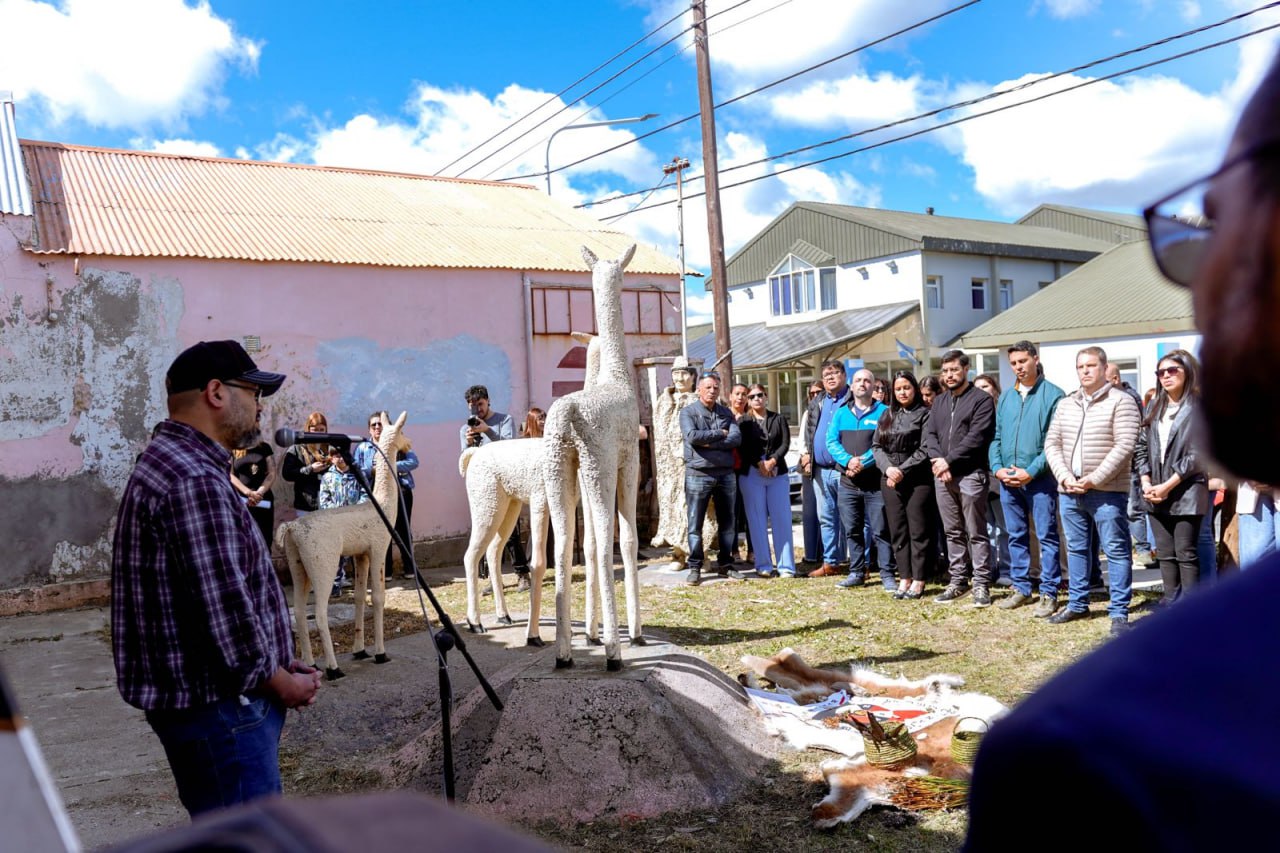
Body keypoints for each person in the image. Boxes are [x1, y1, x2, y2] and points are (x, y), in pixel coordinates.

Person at [965, 52, 1280, 850]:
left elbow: (1119, 440)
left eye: (1215, 229)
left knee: (1151, 559)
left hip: (1119, 493)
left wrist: (1094, 473)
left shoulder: (1102, 758)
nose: (1198, 291)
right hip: (1080, 484)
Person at [112, 339, 321, 818]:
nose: (259, 407)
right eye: (253, 392)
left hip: (217, 705)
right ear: (216, 392)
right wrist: (280, 681)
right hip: (224, 709)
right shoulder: (193, 480)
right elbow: (224, 609)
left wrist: (282, 661)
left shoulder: (178, 464)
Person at [1042, 346, 1140, 633]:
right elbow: (1052, 443)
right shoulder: (1067, 403)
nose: (1085, 371)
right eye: (1080, 367)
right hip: (1069, 489)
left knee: (1116, 549)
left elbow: (1125, 445)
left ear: (1104, 367)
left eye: (1091, 366)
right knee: (1076, 548)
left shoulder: (1121, 402)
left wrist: (1093, 479)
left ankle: (1119, 610)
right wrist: (1064, 475)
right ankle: (1077, 603)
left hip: (1106, 490)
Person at [990, 341, 1065, 617]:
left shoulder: (1054, 395)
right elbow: (996, 437)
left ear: (1035, 358)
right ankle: (1021, 588)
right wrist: (997, 467)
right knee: (1016, 535)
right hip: (1008, 479)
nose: (1018, 367)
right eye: (1014, 363)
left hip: (1040, 480)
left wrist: (1031, 471)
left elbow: (1053, 442)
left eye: (1023, 361)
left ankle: (1049, 592)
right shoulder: (1007, 398)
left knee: (1046, 536)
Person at [924, 350, 996, 607]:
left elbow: (977, 437)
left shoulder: (981, 400)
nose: (949, 375)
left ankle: (981, 584)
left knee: (976, 531)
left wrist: (949, 460)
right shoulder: (940, 401)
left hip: (970, 474)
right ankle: (958, 582)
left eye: (954, 370)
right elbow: (930, 434)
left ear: (966, 369)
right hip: (942, 476)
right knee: (952, 531)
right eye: (945, 371)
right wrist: (937, 461)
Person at [1134, 349, 1207, 606]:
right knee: (1165, 554)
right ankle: (1171, 605)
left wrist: (1167, 485)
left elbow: (1199, 453)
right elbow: (1141, 447)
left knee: (1185, 553)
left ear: (1187, 371)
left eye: (1172, 370)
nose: (1165, 376)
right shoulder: (1154, 405)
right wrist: (1146, 482)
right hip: (1154, 490)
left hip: (1186, 490)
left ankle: (1190, 611)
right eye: (1160, 372)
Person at [456, 387, 530, 590]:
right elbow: (466, 459)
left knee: (510, 531)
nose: (477, 410)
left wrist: (486, 430)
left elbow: (509, 447)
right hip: (483, 486)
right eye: (473, 406)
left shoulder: (504, 420)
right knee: (486, 531)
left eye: (480, 404)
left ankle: (522, 573)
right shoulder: (465, 429)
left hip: (506, 481)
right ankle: (493, 579)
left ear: (488, 401)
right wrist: (469, 443)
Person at [826, 368, 892, 590]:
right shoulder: (841, 413)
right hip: (848, 483)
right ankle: (856, 572)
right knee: (852, 530)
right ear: (851, 386)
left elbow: (884, 444)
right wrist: (847, 461)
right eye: (858, 380)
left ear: (874, 387)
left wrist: (862, 462)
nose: (862, 384)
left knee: (881, 530)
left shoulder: (884, 412)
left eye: (867, 381)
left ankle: (887, 574)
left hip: (875, 485)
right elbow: (831, 441)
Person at [680, 372, 748, 586]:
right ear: (699, 389)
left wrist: (709, 441)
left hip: (725, 474)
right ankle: (695, 567)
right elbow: (692, 437)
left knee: (728, 524)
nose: (712, 391)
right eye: (708, 387)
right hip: (698, 475)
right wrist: (720, 433)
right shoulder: (688, 412)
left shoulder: (725, 412)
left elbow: (736, 438)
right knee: (694, 525)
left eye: (716, 388)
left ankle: (726, 565)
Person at [872, 371, 934, 599]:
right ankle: (904, 578)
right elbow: (876, 446)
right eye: (898, 389)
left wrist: (901, 471)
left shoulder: (924, 414)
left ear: (914, 388)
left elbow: (925, 448)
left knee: (918, 531)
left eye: (906, 387)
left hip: (917, 479)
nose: (902, 392)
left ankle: (919, 579)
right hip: (889, 477)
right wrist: (888, 469)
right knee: (897, 531)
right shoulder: (887, 415)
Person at [736, 384, 795, 577]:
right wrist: (759, 463)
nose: (756, 399)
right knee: (757, 521)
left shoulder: (778, 419)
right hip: (752, 474)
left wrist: (772, 460)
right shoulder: (743, 422)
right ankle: (764, 565)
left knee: (782, 520)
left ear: (766, 396)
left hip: (777, 473)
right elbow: (742, 446)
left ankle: (786, 567)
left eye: (759, 395)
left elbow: (785, 442)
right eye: (751, 396)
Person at [355, 412, 421, 581]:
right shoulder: (363, 448)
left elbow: (413, 461)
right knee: (382, 532)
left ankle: (409, 568)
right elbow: (356, 469)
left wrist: (389, 464)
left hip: (401, 492)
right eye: (373, 425)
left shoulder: (398, 442)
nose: (377, 427)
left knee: (403, 530)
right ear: (369, 429)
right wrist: (372, 470)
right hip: (375, 495)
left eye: (380, 425)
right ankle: (387, 571)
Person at [803, 361, 853, 578]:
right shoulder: (818, 402)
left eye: (835, 373)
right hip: (821, 470)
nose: (831, 378)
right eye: (826, 375)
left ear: (844, 375)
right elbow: (810, 431)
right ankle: (831, 562)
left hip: (845, 469)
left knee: (852, 518)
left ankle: (862, 563)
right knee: (827, 517)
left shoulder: (853, 399)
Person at [1106, 362, 1156, 566]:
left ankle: (1143, 549)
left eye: (1105, 379)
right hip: (1111, 465)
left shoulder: (1129, 399)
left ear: (1115, 379)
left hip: (1131, 464)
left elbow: (1134, 437)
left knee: (1133, 509)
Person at [317, 445, 368, 597]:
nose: (340, 458)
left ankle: (361, 583)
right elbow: (324, 500)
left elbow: (366, 494)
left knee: (358, 553)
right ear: (331, 459)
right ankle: (335, 585)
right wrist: (336, 513)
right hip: (336, 523)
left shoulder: (358, 474)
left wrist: (355, 512)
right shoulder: (327, 477)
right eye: (336, 455)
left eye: (343, 454)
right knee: (337, 554)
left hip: (354, 522)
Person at [280, 411, 331, 517]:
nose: (318, 433)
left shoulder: (330, 448)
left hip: (328, 505)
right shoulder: (297, 448)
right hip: (306, 505)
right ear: (308, 429)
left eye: (321, 430)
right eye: (315, 430)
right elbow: (287, 474)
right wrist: (310, 469)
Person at [797, 381, 824, 567]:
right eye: (811, 392)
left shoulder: (832, 410)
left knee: (827, 514)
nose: (815, 395)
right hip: (809, 467)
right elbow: (801, 440)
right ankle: (811, 554)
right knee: (809, 514)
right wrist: (805, 457)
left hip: (827, 466)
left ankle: (829, 555)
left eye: (818, 392)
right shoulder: (808, 412)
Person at [230, 440, 276, 547]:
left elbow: (272, 472)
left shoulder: (264, 447)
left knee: (265, 539)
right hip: (242, 502)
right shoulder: (233, 448)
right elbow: (230, 475)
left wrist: (259, 492)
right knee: (243, 541)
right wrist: (248, 492)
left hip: (264, 500)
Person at [727, 382, 753, 563]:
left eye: (744, 394)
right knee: (732, 514)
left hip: (748, 470)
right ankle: (733, 550)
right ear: (730, 396)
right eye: (737, 393)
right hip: (728, 470)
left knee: (750, 512)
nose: (740, 397)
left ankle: (752, 551)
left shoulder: (751, 418)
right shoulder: (724, 416)